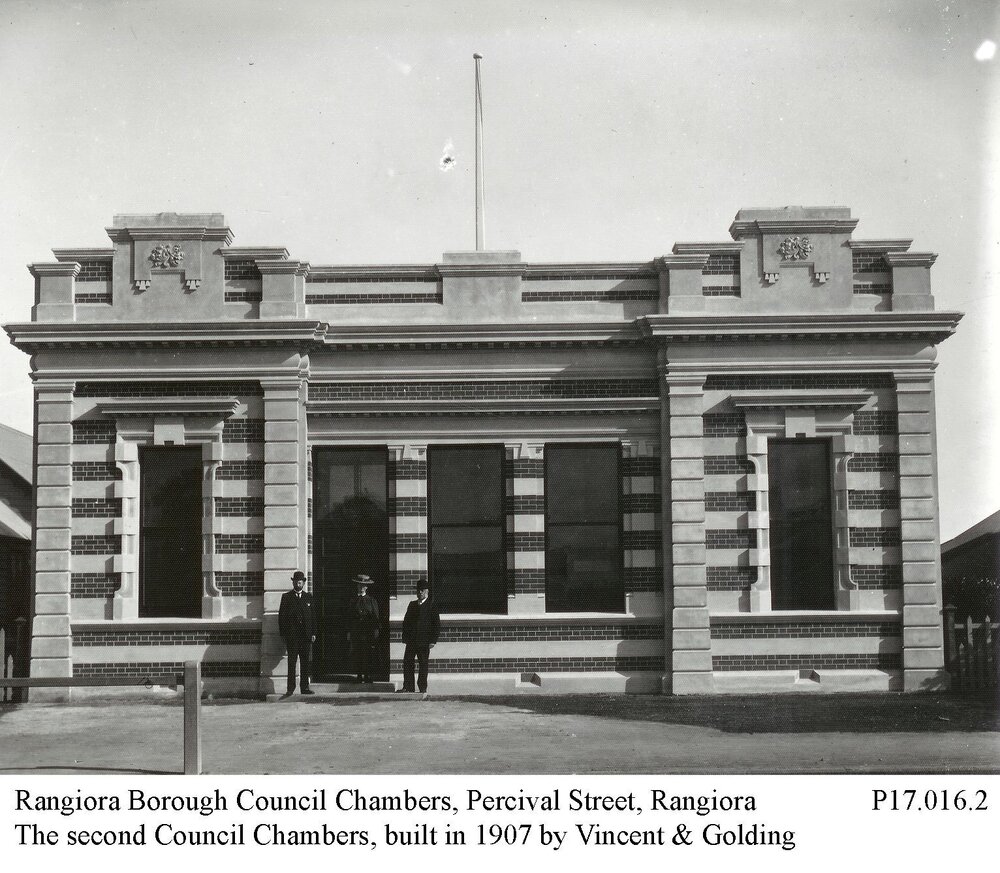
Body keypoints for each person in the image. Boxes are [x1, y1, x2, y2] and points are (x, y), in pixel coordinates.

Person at [278, 570, 315, 696]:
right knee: (292, 662)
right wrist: (283, 634)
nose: (298, 584)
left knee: (305, 662)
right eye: (296, 582)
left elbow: (313, 617)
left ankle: (305, 687)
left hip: (305, 636)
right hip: (292, 636)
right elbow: (281, 617)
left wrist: (313, 633)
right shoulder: (286, 597)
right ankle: (290, 688)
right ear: (293, 582)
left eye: (300, 582)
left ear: (303, 583)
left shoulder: (308, 597)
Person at [400, 578, 440, 693]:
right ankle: (408, 686)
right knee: (408, 662)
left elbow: (436, 624)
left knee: (423, 664)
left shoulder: (431, 605)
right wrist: (405, 637)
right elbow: (406, 622)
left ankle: (422, 687)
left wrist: (433, 640)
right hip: (412, 640)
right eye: (418, 590)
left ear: (427, 591)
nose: (420, 592)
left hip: (424, 641)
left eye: (422, 590)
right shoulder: (412, 605)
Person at [350, 574, 380, 684]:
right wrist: (349, 631)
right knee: (357, 653)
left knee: (368, 653)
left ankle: (367, 675)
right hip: (356, 631)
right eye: (359, 585)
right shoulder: (353, 600)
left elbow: (376, 617)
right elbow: (349, 616)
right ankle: (359, 675)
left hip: (367, 632)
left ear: (366, 587)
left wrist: (375, 632)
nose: (361, 587)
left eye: (363, 586)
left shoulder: (371, 600)